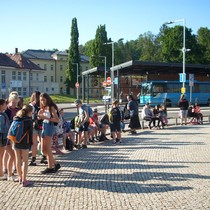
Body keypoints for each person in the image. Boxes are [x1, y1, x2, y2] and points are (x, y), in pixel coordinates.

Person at [38, 93, 61, 174]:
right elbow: (42, 118)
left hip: (49, 126)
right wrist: (39, 115)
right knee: (43, 150)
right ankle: (55, 163)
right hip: (44, 125)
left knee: (47, 148)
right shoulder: (43, 107)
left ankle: (50, 167)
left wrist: (46, 117)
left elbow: (57, 120)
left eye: (44, 100)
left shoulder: (51, 107)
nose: (42, 102)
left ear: (47, 99)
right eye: (41, 100)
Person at [13, 105, 33, 187]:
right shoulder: (29, 121)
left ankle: (19, 177)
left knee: (18, 160)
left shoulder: (16, 118)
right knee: (25, 161)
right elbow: (30, 134)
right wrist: (31, 143)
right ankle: (24, 180)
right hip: (25, 142)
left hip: (16, 141)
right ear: (29, 112)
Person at [4, 92, 21, 180]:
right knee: (10, 154)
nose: (14, 104)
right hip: (8, 134)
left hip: (16, 134)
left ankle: (12, 170)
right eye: (13, 102)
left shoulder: (18, 110)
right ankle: (7, 170)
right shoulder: (7, 110)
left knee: (13, 154)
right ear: (9, 101)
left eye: (16, 102)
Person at [29, 91, 43, 166]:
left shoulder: (31, 105)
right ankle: (43, 156)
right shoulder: (41, 105)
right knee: (42, 142)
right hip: (41, 125)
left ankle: (33, 159)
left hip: (33, 125)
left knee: (34, 143)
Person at [0, 99, 10, 180]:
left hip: (3, 137)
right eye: (4, 104)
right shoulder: (1, 115)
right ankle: (1, 173)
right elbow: (2, 128)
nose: (6, 106)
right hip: (2, 137)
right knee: (1, 155)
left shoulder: (3, 114)